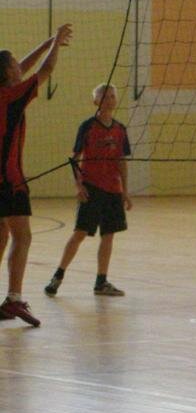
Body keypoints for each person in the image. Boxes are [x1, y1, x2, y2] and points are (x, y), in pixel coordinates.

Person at [0, 24, 73, 327]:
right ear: (8, 73)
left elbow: (24, 68)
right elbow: (46, 70)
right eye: (14, 64)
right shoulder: (12, 95)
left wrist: (45, 43)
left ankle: (9, 301)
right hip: (8, 180)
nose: (20, 65)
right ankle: (14, 299)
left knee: (2, 235)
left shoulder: (5, 91)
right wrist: (55, 45)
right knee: (23, 236)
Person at [45, 84, 133, 298]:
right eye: (105, 96)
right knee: (80, 233)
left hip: (113, 189)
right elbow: (74, 159)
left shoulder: (120, 129)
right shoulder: (88, 126)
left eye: (112, 96)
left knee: (108, 235)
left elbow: (121, 161)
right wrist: (79, 185)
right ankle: (58, 276)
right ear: (96, 101)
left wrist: (125, 191)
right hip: (92, 187)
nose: (110, 99)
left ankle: (101, 282)